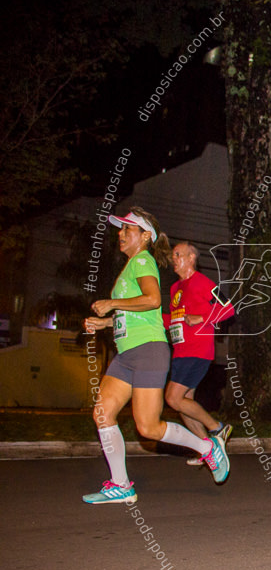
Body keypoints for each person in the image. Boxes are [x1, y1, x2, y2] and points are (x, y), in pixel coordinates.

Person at [82, 209, 230, 504]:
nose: (121, 234)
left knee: (152, 423)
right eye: (120, 230)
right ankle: (121, 485)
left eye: (128, 229)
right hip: (130, 353)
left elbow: (153, 299)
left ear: (145, 235)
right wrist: (107, 322)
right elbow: (153, 314)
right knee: (103, 413)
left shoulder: (145, 262)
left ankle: (209, 444)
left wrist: (201, 318)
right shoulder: (169, 284)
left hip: (160, 351)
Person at [163, 241, 235, 466]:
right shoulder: (176, 288)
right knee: (184, 404)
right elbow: (174, 319)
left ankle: (218, 429)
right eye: (173, 255)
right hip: (180, 351)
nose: (173, 258)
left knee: (173, 398)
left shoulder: (203, 282)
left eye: (178, 254)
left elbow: (228, 308)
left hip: (198, 351)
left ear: (191, 258)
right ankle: (208, 450)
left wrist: (202, 319)